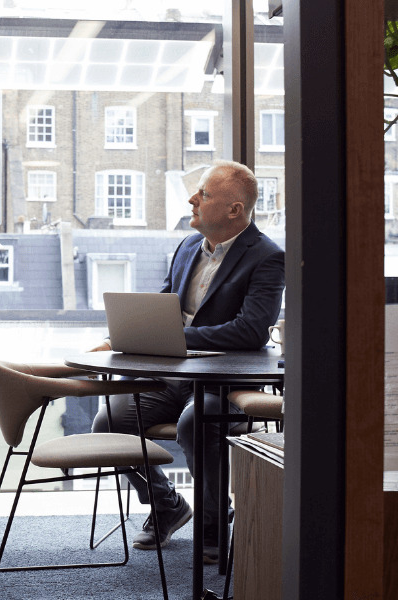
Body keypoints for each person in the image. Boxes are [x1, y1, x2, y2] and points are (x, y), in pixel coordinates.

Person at [90, 160, 285, 563]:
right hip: (174, 377)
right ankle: (166, 504)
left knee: (195, 423)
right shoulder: (185, 248)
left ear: (234, 210)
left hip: (225, 384)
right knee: (109, 422)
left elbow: (250, 331)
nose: (192, 199)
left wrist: (175, 338)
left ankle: (214, 522)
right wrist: (124, 336)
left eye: (204, 194)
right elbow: (163, 308)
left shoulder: (267, 257)